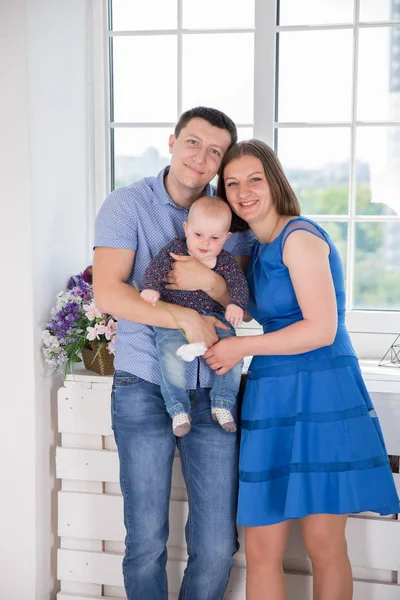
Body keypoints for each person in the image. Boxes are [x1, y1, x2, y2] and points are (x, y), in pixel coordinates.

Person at [204, 139, 400, 600]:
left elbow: (321, 330)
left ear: (274, 180)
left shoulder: (300, 236)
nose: (243, 191)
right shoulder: (256, 247)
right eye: (232, 183)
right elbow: (253, 309)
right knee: (261, 546)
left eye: (254, 178)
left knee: (323, 543)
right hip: (273, 392)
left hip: (322, 392)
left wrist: (240, 350)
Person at [93, 107, 254, 600]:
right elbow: (109, 294)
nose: (201, 158)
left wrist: (206, 282)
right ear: (172, 141)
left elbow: (236, 299)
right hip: (143, 385)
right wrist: (182, 316)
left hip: (214, 394)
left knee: (217, 544)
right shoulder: (126, 206)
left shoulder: (226, 218)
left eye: (214, 151)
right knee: (145, 541)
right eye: (193, 143)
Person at [140, 195, 249, 436]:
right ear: (186, 228)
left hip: (214, 316)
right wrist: (151, 288)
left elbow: (238, 285)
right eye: (198, 235)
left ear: (227, 237)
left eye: (214, 238)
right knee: (170, 357)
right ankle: (178, 409)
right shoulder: (175, 250)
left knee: (233, 353)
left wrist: (236, 304)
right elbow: (156, 268)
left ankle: (222, 403)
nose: (205, 244)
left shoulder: (225, 261)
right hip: (174, 319)